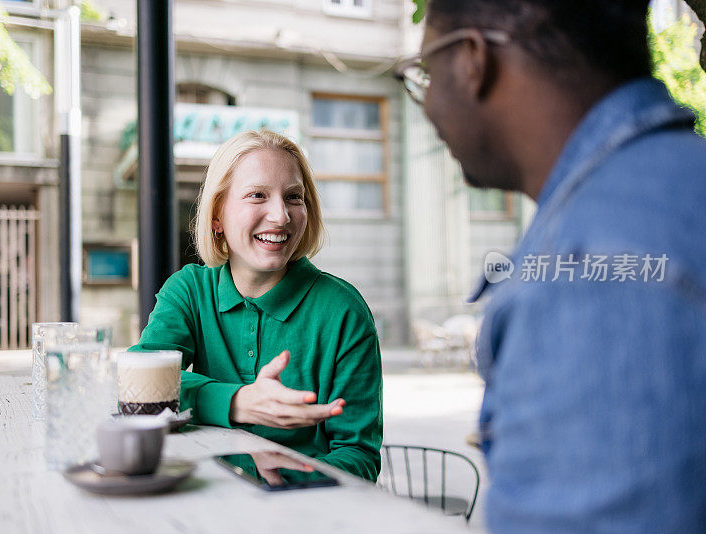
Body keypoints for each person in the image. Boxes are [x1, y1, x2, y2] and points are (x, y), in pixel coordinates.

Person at [397, 0, 706, 530]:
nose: (425, 106)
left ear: (473, 59)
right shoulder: (685, 178)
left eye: (425, 72)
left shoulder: (586, 271)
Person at [130, 130, 383, 481]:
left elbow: (360, 457)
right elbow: (134, 384)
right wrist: (237, 402)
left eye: (294, 197)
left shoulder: (344, 311)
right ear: (217, 216)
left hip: (304, 514)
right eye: (257, 195)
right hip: (204, 503)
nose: (281, 216)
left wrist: (280, 479)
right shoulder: (189, 290)